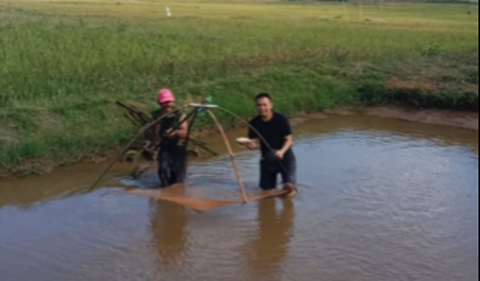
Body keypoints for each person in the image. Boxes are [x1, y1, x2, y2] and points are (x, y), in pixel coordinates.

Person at [243, 93, 297, 197]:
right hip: (267, 159)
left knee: (289, 189)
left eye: (265, 105)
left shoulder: (281, 119)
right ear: (256, 107)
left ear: (271, 105)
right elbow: (254, 143)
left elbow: (289, 140)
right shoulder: (254, 123)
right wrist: (249, 145)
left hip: (285, 157)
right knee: (267, 193)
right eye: (259, 105)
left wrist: (281, 152)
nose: (262, 108)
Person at [151, 89, 189, 188]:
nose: (166, 105)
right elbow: (154, 132)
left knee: (177, 176)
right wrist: (154, 146)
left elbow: (185, 133)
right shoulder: (157, 116)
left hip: (178, 148)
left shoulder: (180, 116)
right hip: (164, 147)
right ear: (159, 103)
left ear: (173, 102)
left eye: (168, 102)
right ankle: (164, 191)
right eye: (163, 102)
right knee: (163, 171)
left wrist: (176, 132)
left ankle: (177, 195)